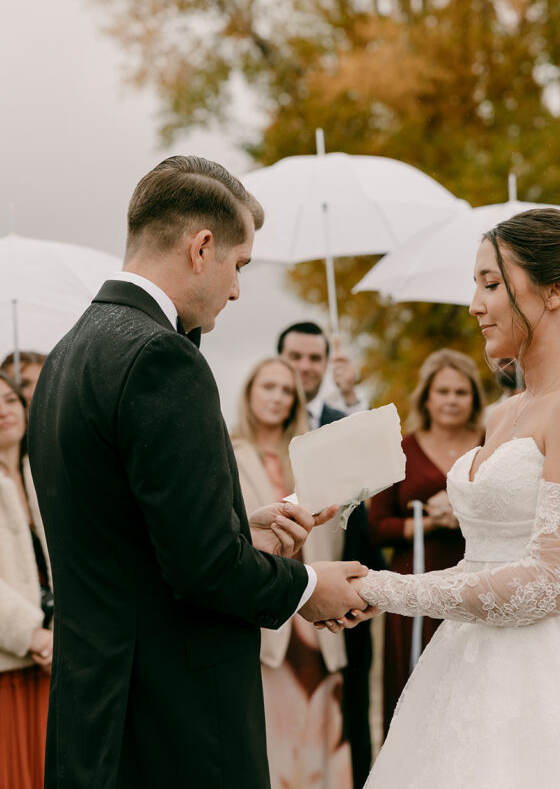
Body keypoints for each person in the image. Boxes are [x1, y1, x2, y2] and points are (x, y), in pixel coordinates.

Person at [27, 156, 370, 789]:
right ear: (201, 248)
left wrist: (238, 525)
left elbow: (124, 535)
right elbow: (202, 568)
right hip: (174, 722)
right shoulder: (162, 357)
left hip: (94, 709)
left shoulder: (68, 354)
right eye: (239, 265)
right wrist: (305, 585)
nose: (238, 290)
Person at [347, 202, 560, 788]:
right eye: (474, 286)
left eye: (491, 284)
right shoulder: (502, 414)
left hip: (545, 683)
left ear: (557, 291)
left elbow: (548, 583)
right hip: (459, 664)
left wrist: (383, 588)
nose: (475, 305)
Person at [232, 356, 353, 789]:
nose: (278, 397)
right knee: (273, 736)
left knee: (324, 732)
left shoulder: (307, 454)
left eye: (287, 391)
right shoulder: (227, 451)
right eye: (269, 387)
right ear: (249, 392)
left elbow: (336, 532)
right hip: (266, 612)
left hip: (314, 604)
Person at [278, 320, 384, 788]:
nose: (304, 366)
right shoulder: (256, 429)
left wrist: (353, 401)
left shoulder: (337, 424)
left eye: (314, 358)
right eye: (295, 357)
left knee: (348, 710)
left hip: (341, 586)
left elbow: (373, 487)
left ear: (326, 364)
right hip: (279, 595)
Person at [367, 349, 485, 735]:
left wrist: (465, 511)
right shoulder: (401, 449)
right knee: (417, 690)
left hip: (479, 580)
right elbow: (377, 526)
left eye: (461, 392)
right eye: (443, 391)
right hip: (416, 580)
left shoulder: (493, 443)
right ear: (427, 398)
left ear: (474, 398)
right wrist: (428, 523)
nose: (451, 400)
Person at [0, 372, 53, 789]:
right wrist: (30, 634)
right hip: (10, 662)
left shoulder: (45, 474)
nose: (3, 411)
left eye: (9, 400)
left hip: (58, 653)